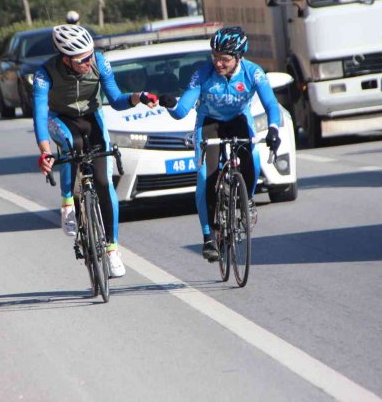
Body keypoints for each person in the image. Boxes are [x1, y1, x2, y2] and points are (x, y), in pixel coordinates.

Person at [33, 24, 157, 277]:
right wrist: (45, 151)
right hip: (61, 120)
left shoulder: (99, 62)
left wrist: (137, 97)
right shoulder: (44, 73)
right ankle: (68, 202)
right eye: (82, 59)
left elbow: (116, 100)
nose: (89, 61)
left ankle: (112, 250)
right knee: (71, 145)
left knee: (103, 181)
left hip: (91, 118)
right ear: (66, 60)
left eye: (90, 54)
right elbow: (39, 114)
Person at [157, 26, 281, 262]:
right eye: (215, 57)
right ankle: (209, 237)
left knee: (252, 160)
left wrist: (274, 130)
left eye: (224, 59)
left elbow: (271, 105)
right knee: (206, 177)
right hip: (209, 122)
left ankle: (248, 200)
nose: (218, 63)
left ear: (238, 57)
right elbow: (183, 110)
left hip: (238, 120)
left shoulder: (253, 73)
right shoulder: (202, 74)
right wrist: (171, 104)